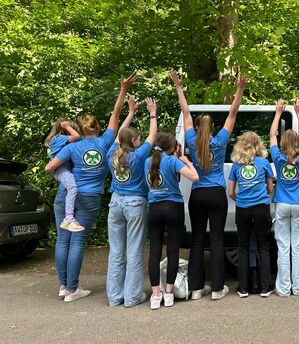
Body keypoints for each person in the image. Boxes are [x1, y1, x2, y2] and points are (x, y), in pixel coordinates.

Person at [45, 73, 138, 302]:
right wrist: (124, 91)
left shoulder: (72, 146)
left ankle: (63, 286)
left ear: (82, 128)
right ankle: (72, 289)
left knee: (62, 239)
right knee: (76, 241)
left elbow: (51, 167)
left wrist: (64, 173)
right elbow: (116, 116)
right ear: (97, 128)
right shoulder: (106, 142)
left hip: (66, 194)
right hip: (90, 197)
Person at [170, 71, 247, 301]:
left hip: (198, 195)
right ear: (213, 128)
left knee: (197, 241)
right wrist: (239, 88)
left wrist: (178, 87)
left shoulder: (192, 140)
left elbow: (185, 111)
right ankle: (216, 289)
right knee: (217, 240)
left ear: (196, 127)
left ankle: (195, 289)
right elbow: (233, 113)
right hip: (216, 195)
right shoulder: (220, 141)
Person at [105, 96, 157, 307]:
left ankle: (114, 296)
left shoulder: (112, 153)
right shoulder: (137, 156)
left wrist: (131, 113)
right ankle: (132, 297)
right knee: (134, 250)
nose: (141, 140)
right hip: (135, 203)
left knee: (116, 251)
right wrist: (152, 112)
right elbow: (153, 135)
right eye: (138, 138)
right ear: (134, 141)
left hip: (115, 203)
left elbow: (119, 135)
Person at [145, 131, 199, 310]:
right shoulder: (173, 161)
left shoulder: (147, 162)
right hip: (173, 208)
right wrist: (188, 162)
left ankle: (155, 295)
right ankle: (169, 293)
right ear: (171, 147)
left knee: (154, 251)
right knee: (173, 250)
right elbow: (195, 177)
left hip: (154, 209)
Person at [269, 98, 299, 297]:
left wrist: (278, 113)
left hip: (282, 204)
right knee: (298, 247)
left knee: (283, 247)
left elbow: (271, 135)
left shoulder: (277, 157)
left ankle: (284, 289)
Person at [228, 131, 275, 298]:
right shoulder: (264, 163)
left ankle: (243, 288)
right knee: (263, 247)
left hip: (243, 208)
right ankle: (265, 287)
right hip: (261, 207)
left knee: (243, 247)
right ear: (258, 144)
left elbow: (230, 192)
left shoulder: (236, 165)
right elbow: (270, 189)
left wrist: (241, 199)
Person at [44, 119, 83, 232]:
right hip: (62, 170)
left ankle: (69, 217)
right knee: (72, 188)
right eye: (71, 129)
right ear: (65, 130)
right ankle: (69, 218)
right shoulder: (58, 139)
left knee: (71, 188)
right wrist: (67, 126)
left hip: (62, 170)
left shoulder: (57, 140)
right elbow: (77, 136)